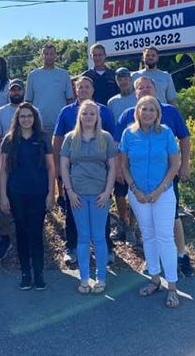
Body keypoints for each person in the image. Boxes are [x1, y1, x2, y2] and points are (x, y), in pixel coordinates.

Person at [114, 76, 194, 277]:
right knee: (147, 228)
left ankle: (181, 256)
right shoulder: (127, 116)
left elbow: (184, 138)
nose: (144, 90)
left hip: (166, 180)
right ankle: (154, 265)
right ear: (136, 93)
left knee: (172, 219)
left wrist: (184, 165)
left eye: (148, 86)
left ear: (155, 89)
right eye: (140, 88)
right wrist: (120, 172)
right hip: (138, 183)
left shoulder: (170, 112)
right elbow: (119, 147)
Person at [118, 95, 181, 308]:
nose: (147, 113)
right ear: (137, 112)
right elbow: (124, 166)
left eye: (151, 110)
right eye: (143, 109)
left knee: (165, 237)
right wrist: (134, 189)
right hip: (138, 195)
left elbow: (174, 165)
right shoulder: (129, 134)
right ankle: (155, 279)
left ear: (157, 113)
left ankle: (172, 286)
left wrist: (159, 190)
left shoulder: (166, 134)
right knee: (148, 236)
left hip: (162, 194)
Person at [53, 76, 115, 266]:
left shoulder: (104, 111)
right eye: (80, 87)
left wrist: (115, 171)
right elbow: (57, 139)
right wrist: (57, 167)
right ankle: (71, 247)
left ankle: (105, 247)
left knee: (101, 214)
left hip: (100, 176)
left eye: (87, 87)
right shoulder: (66, 112)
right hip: (74, 176)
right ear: (75, 90)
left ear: (93, 90)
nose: (84, 90)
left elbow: (114, 140)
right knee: (72, 213)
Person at [60, 100, 117, 294]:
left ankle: (101, 278)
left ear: (97, 117)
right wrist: (69, 191)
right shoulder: (70, 138)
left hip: (100, 195)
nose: (88, 117)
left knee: (99, 238)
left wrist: (107, 191)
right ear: (80, 116)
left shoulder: (105, 138)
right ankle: (84, 278)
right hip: (78, 196)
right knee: (83, 238)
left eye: (92, 114)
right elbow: (64, 166)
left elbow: (112, 167)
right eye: (85, 114)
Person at [0, 103, 56, 291]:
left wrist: (51, 193)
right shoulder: (9, 140)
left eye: (29, 116)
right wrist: (3, 196)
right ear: (17, 118)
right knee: (21, 233)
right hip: (16, 194)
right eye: (22, 116)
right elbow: (3, 171)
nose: (26, 119)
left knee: (36, 233)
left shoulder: (42, 138)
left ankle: (38, 273)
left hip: (38, 193)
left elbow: (50, 168)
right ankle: (25, 273)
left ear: (34, 118)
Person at [0, 79, 40, 259]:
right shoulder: (0, 112)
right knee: (5, 204)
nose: (16, 92)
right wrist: (3, 156)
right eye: (13, 90)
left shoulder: (33, 111)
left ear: (23, 91)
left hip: (30, 165)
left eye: (19, 90)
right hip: (8, 163)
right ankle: (5, 237)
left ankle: (30, 239)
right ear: (9, 92)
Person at [106, 67, 137, 243]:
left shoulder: (138, 98)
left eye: (126, 77)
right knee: (119, 192)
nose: (123, 81)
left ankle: (132, 228)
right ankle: (123, 224)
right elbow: (111, 128)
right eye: (120, 79)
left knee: (134, 191)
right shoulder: (112, 102)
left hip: (138, 152)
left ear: (130, 79)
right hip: (119, 152)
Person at [24, 43, 74, 137]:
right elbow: (28, 102)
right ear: (42, 56)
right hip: (38, 124)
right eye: (46, 54)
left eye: (51, 54)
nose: (49, 56)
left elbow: (70, 100)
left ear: (56, 56)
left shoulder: (64, 74)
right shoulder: (33, 75)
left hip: (60, 124)